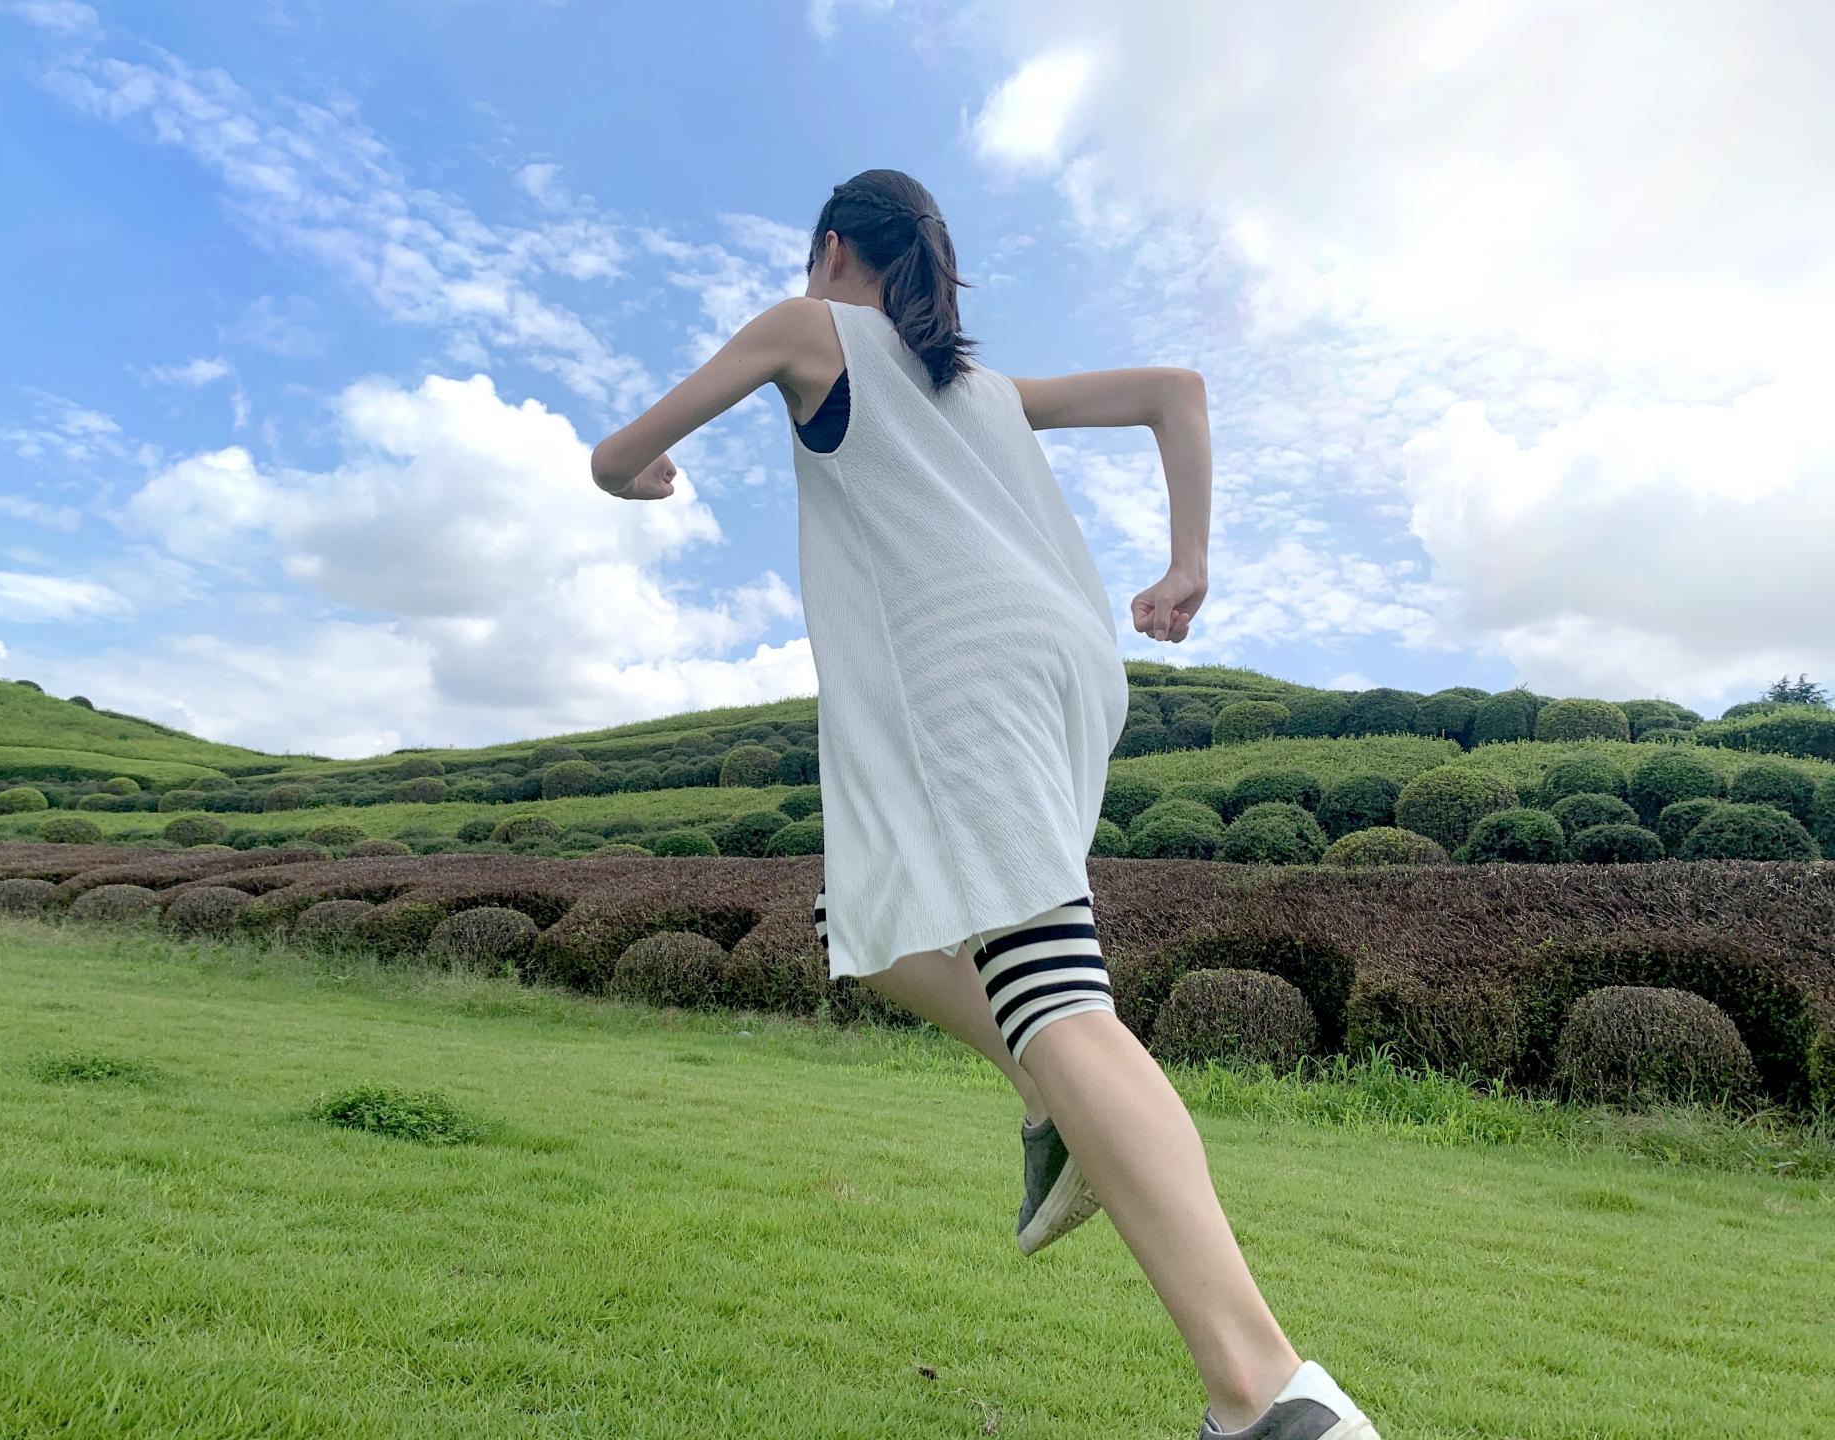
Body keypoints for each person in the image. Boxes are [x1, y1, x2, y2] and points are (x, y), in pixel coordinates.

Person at [589, 168, 1382, 1440]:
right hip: (1063, 667)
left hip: (966, 678)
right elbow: (1176, 392)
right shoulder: (987, 392)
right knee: (859, 917)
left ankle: (1270, 1395)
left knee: (1059, 991)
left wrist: (648, 480)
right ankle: (1053, 1104)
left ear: (833, 250)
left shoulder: (810, 329)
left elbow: (614, 456)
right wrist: (1187, 565)